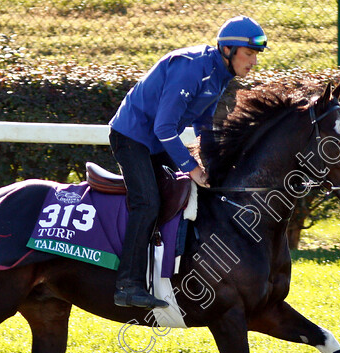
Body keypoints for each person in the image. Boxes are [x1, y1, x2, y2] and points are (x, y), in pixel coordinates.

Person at [108, 15, 267, 309]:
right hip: (131, 137)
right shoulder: (192, 68)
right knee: (147, 202)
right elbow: (164, 128)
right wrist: (192, 168)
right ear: (229, 50)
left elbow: (204, 122)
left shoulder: (220, 73)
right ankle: (127, 285)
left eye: (256, 55)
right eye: (249, 53)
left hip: (155, 140)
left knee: (197, 191)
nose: (253, 62)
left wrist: (213, 163)